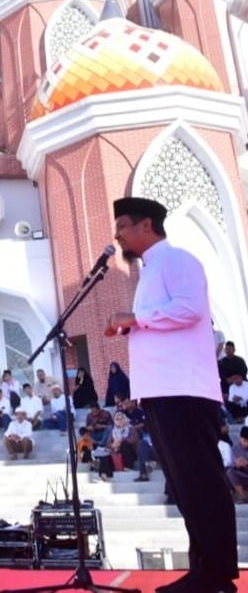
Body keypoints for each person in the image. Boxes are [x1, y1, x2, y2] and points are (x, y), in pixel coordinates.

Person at [105, 196, 238, 593]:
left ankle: (217, 573)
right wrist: (131, 326)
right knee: (183, 484)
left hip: (185, 390)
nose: (119, 237)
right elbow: (163, 321)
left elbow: (191, 309)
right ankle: (203, 569)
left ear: (146, 225)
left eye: (123, 228)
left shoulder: (178, 260)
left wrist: (135, 319)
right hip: (161, 392)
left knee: (201, 480)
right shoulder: (150, 272)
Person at [227, 425, 248, 503]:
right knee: (230, 472)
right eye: (244, 440)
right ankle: (243, 496)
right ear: (240, 438)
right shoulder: (235, 448)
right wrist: (237, 464)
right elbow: (232, 463)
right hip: (242, 475)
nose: (246, 443)